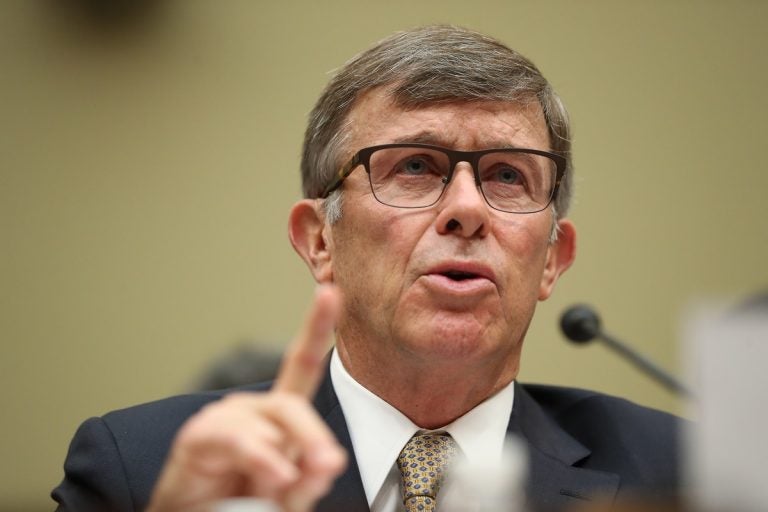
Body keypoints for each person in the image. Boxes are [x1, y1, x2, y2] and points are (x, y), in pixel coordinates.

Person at [52, 25, 681, 512]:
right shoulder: (143, 471)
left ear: (551, 260)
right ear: (319, 240)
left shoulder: (679, 474)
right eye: (414, 166)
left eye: (508, 175)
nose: (466, 209)